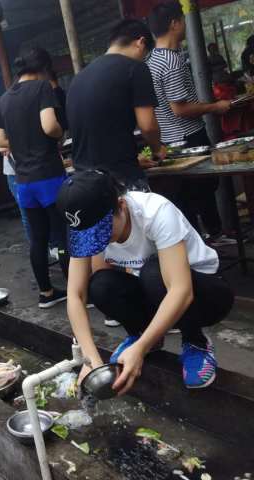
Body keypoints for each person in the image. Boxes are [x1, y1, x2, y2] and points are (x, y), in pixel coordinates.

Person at [57, 170, 234, 391]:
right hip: (154, 292)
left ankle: (196, 342)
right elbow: (76, 295)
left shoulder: (155, 212)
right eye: (89, 236)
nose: (96, 243)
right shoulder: (82, 226)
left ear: (121, 206)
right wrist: (91, 360)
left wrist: (139, 349)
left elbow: (181, 290)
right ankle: (141, 335)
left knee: (153, 272)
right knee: (101, 284)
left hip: (205, 293)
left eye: (102, 232)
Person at [0, 44, 68, 308]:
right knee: (63, 234)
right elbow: (49, 125)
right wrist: (59, 133)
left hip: (24, 181)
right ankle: (78, 291)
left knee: (38, 237)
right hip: (49, 175)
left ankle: (46, 293)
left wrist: (18, 141)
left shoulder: (5, 98)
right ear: (43, 68)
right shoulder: (42, 89)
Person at [147, 1, 234, 247]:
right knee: (203, 188)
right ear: (175, 23)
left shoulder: (152, 60)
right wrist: (215, 107)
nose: (185, 25)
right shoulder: (172, 62)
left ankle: (201, 240)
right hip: (188, 138)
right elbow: (180, 108)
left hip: (169, 140)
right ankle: (211, 238)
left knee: (185, 195)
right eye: (183, 20)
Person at [67, 19, 165, 191]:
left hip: (84, 182)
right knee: (135, 218)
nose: (144, 59)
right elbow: (148, 126)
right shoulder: (135, 68)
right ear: (140, 43)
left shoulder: (79, 78)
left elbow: (99, 128)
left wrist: (133, 157)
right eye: (146, 54)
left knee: (106, 220)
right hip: (121, 180)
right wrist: (157, 150)